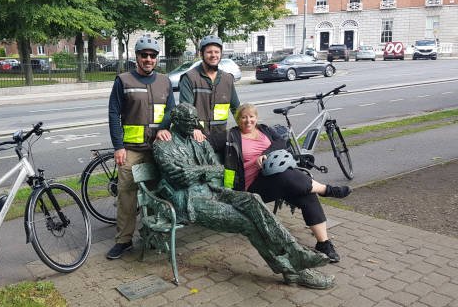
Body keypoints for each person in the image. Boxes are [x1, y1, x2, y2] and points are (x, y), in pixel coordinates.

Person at [152, 103, 335, 289]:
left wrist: (199, 171)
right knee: (248, 224)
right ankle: (293, 271)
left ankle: (295, 251)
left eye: (194, 121)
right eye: (188, 121)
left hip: (215, 191)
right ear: (175, 121)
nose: (194, 125)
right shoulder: (163, 145)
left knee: (253, 200)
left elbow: (220, 170)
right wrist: (206, 170)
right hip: (190, 200)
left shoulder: (198, 141)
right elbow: (180, 177)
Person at [223, 103, 352, 263]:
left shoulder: (264, 129)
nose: (248, 120)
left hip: (279, 178)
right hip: (254, 186)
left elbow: (281, 142)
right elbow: (206, 141)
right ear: (238, 120)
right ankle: (326, 189)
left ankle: (324, 244)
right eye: (243, 117)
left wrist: (265, 154)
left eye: (251, 116)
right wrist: (196, 132)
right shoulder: (231, 136)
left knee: (306, 194)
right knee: (283, 175)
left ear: (256, 118)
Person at [106, 35, 176, 260]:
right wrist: (118, 147)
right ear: (136, 57)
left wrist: (165, 128)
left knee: (158, 193)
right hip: (131, 149)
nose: (148, 59)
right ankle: (124, 240)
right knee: (127, 195)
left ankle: (153, 234)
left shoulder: (164, 82)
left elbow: (170, 112)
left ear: (157, 58)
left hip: (157, 149)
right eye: (144, 55)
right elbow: (113, 113)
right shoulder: (123, 80)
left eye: (152, 56)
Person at [179, 35, 240, 157]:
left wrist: (247, 127)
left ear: (221, 54)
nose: (213, 55)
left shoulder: (227, 79)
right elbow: (185, 110)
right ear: (202, 54)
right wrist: (193, 129)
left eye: (217, 52)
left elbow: (236, 108)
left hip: (221, 138)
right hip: (198, 140)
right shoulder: (190, 78)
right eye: (209, 52)